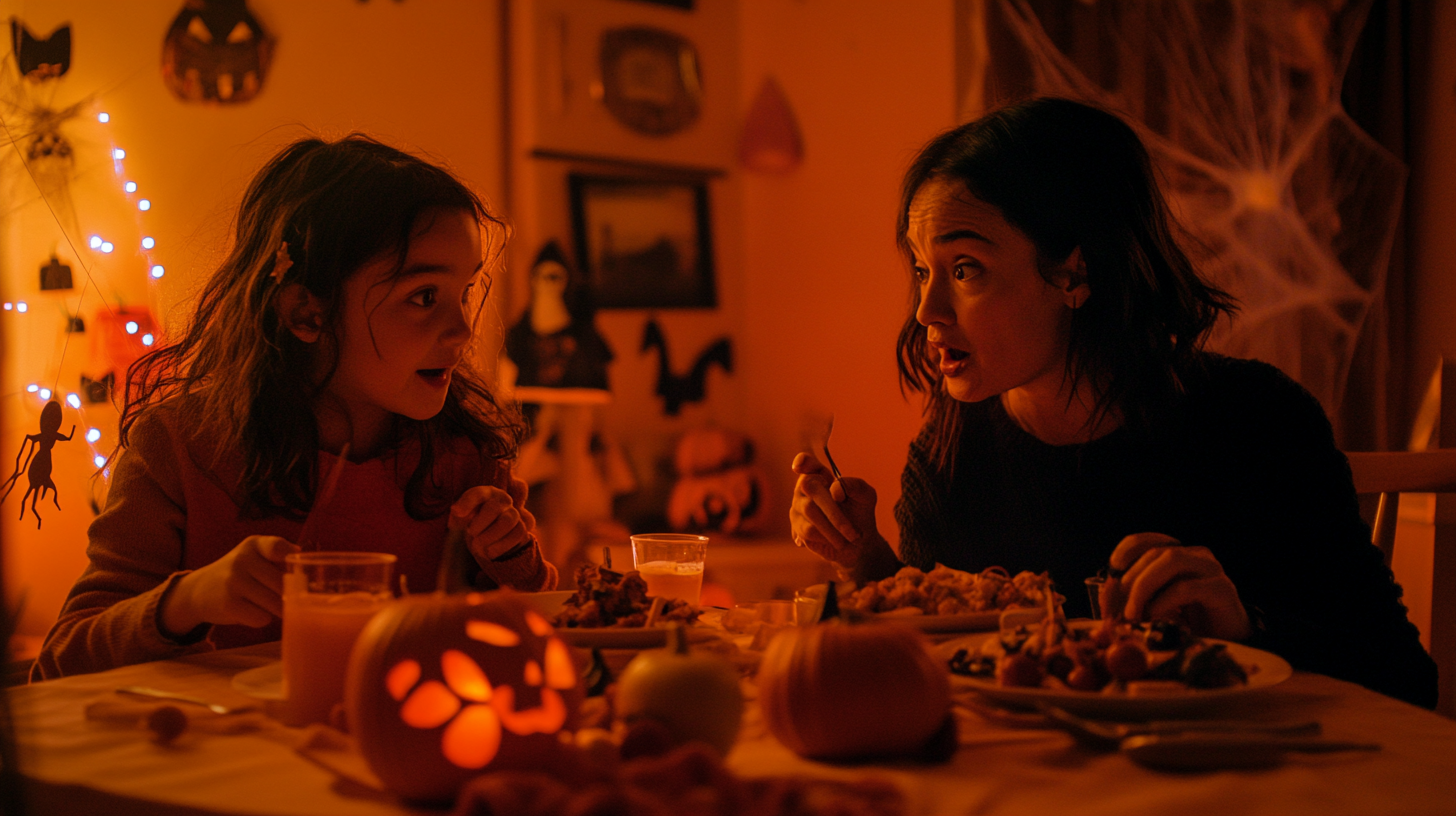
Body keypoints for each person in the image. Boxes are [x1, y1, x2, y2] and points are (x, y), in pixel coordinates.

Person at [790, 98, 1437, 708]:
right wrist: (866, 559)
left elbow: (1405, 679)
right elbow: (940, 660)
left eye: (965, 269)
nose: (927, 311)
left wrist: (1247, 625)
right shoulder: (952, 449)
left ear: (1074, 273)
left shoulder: (1257, 422)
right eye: (923, 269)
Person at [34, 135, 556, 680]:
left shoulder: (463, 458)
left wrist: (512, 559)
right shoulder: (180, 448)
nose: (464, 331)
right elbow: (58, 666)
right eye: (424, 296)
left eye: (466, 292)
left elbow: (533, 650)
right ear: (307, 313)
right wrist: (186, 601)